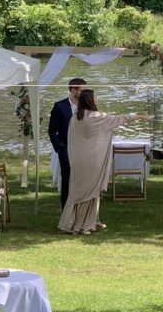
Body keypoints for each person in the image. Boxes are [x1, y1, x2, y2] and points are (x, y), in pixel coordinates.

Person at [58, 90, 152, 235]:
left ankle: (77, 221)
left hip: (79, 160)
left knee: (78, 190)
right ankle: (83, 224)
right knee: (91, 191)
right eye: (95, 97)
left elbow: (72, 141)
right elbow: (122, 118)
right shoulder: (98, 117)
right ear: (90, 100)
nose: (98, 98)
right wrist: (140, 116)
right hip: (94, 160)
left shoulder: (75, 118)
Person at [49, 78, 86, 209]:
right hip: (66, 149)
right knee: (67, 178)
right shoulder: (59, 106)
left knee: (83, 179)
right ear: (73, 90)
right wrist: (59, 148)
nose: (85, 92)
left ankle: (82, 208)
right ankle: (66, 209)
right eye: (83, 90)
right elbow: (52, 130)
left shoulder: (86, 106)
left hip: (83, 149)